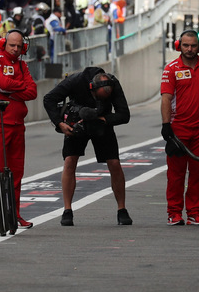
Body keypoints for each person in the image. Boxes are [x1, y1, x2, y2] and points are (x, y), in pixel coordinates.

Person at [43, 67, 132, 226]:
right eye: (98, 97)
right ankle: (67, 210)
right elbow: (49, 98)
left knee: (114, 163)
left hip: (102, 123)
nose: (99, 101)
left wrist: (103, 119)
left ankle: (122, 209)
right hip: (76, 123)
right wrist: (60, 123)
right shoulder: (75, 81)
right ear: (92, 88)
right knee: (70, 161)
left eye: (105, 98)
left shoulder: (113, 83)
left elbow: (124, 114)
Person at [160, 29, 199, 225]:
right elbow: (166, 98)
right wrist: (166, 126)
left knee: (198, 173)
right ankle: (174, 212)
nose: (189, 49)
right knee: (176, 174)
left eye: (193, 45)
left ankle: (194, 212)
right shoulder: (171, 69)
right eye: (186, 45)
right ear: (179, 46)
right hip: (178, 130)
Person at [0, 29, 38, 229]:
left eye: (19, 46)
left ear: (24, 47)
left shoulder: (22, 64)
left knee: (16, 173)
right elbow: (2, 83)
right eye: (12, 45)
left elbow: (33, 92)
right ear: (3, 43)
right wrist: (19, 87)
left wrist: (10, 92)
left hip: (18, 124)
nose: (15, 49)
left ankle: (14, 214)